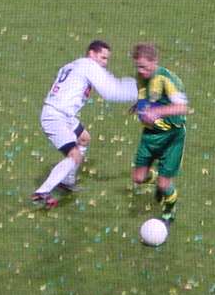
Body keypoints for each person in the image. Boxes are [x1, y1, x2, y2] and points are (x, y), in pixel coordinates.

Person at [31, 40, 138, 209]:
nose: (105, 62)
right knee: (74, 155)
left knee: (84, 138)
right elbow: (112, 91)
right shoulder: (89, 66)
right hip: (56, 116)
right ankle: (43, 191)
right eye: (102, 58)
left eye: (107, 59)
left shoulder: (74, 65)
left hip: (64, 114)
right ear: (91, 53)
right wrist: (140, 90)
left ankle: (66, 182)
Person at [131, 43, 188, 225]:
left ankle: (169, 212)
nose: (140, 71)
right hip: (150, 135)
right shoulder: (140, 77)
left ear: (154, 62)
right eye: (137, 66)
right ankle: (156, 180)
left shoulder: (167, 79)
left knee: (165, 184)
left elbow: (183, 107)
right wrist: (139, 109)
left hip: (172, 137)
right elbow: (143, 98)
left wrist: (158, 112)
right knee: (138, 178)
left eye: (144, 67)